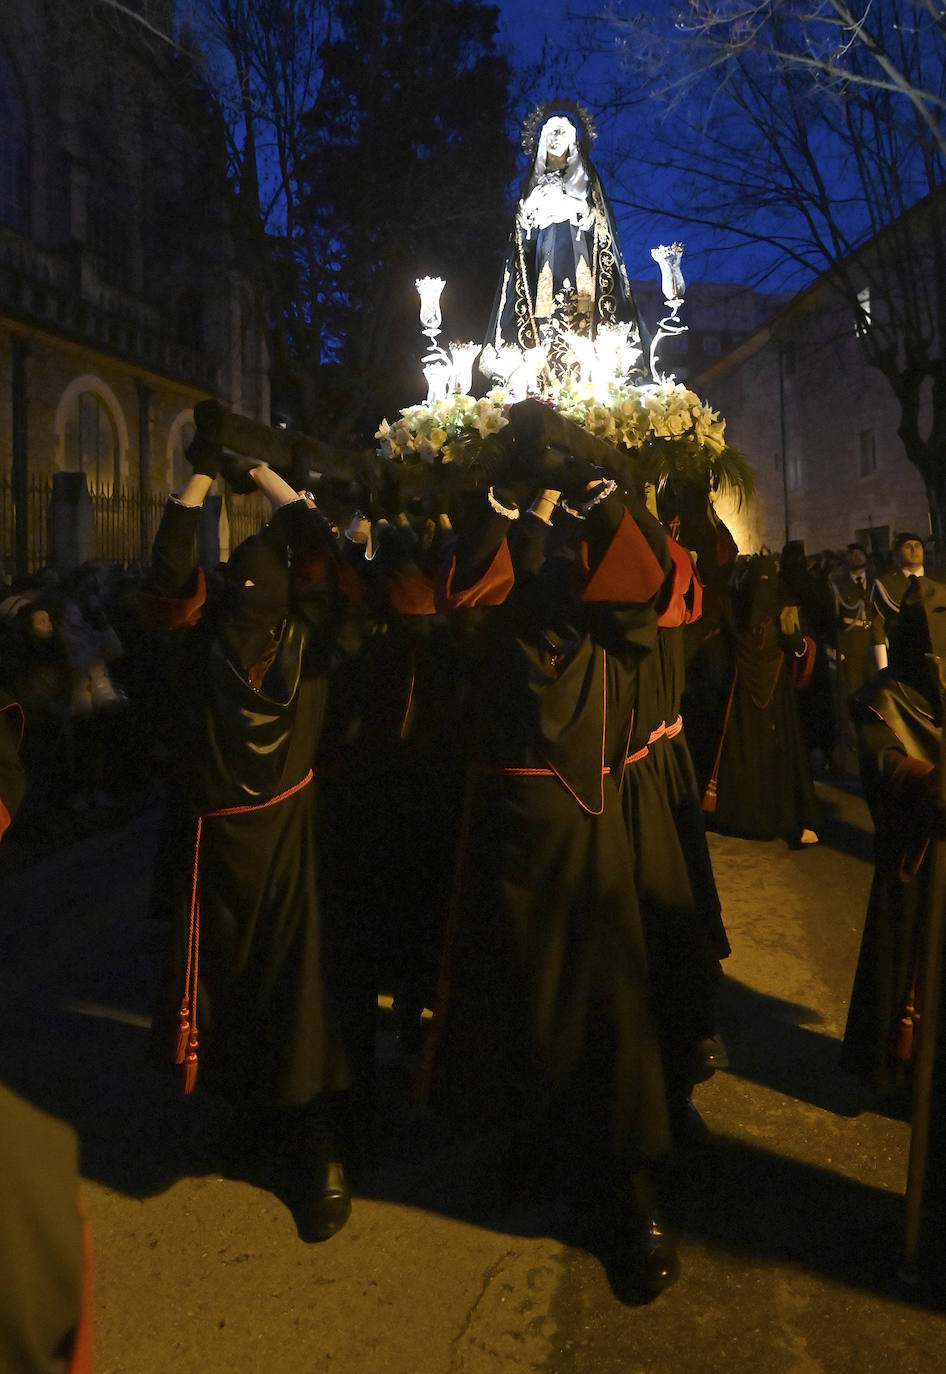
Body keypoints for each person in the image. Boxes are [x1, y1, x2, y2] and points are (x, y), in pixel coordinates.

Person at [415, 419, 680, 1295]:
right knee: (514, 1004)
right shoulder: (496, 621)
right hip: (506, 839)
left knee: (608, 1015)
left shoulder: (613, 632)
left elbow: (651, 579)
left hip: (588, 844)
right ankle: (532, 1143)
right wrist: (508, 494)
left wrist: (597, 483)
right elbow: (463, 584)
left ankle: (629, 1190)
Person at [141, 438, 360, 1241]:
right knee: (294, 989)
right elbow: (332, 561)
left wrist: (202, 473)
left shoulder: (200, 646)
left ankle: (283, 1131)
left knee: (238, 986)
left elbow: (166, 577)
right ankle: (293, 1137)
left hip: (219, 853)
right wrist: (269, 476)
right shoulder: (313, 639)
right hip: (290, 845)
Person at [480, 103, 648, 392]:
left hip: (579, 261)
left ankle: (593, 377)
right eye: (551, 132)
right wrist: (528, 213)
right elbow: (522, 237)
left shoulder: (586, 179)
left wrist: (572, 205)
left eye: (562, 131)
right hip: (542, 263)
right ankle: (538, 378)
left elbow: (599, 223)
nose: (556, 137)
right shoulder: (532, 184)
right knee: (543, 318)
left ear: (573, 138)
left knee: (582, 317)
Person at [700, 553, 820, 845]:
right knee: (770, 752)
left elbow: (798, 647)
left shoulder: (741, 603)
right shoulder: (760, 604)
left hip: (757, 694)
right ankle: (777, 819)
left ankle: (746, 816)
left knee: (756, 751)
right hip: (754, 693)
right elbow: (796, 647)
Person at [870, 532, 933, 671]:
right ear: (897, 554)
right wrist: (883, 668)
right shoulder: (885, 584)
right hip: (904, 658)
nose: (914, 550)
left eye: (918, 546)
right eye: (908, 546)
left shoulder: (938, 578)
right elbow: (877, 628)